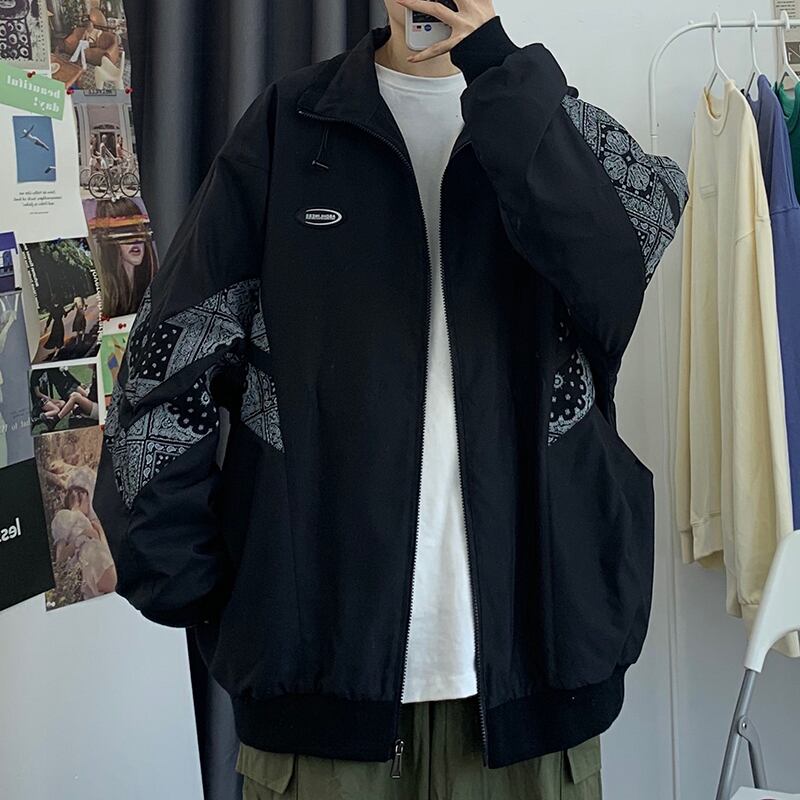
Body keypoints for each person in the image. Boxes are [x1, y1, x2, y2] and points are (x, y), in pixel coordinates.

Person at [95, 3, 689, 800]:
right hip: (319, 704)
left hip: (536, 695)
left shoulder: (557, 129)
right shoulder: (289, 128)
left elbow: (620, 272)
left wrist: (499, 70)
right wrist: (205, 590)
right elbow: (166, 364)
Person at [94, 198, 158, 317]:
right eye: (124, 231)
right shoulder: (105, 295)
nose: (135, 239)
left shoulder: (152, 287)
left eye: (138, 228)